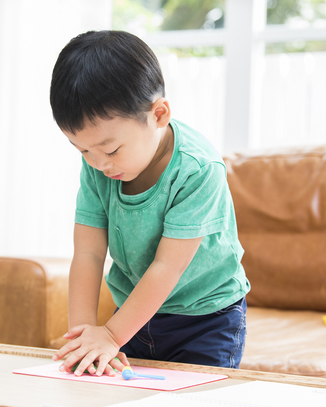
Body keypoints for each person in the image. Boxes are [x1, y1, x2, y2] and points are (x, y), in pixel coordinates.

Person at [49, 30, 250, 377]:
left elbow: (166, 268)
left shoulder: (198, 170)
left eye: (110, 150)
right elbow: (89, 253)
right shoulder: (98, 165)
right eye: (82, 150)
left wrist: (111, 334)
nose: (98, 163)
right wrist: (83, 337)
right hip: (135, 312)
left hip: (206, 318)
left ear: (158, 114)